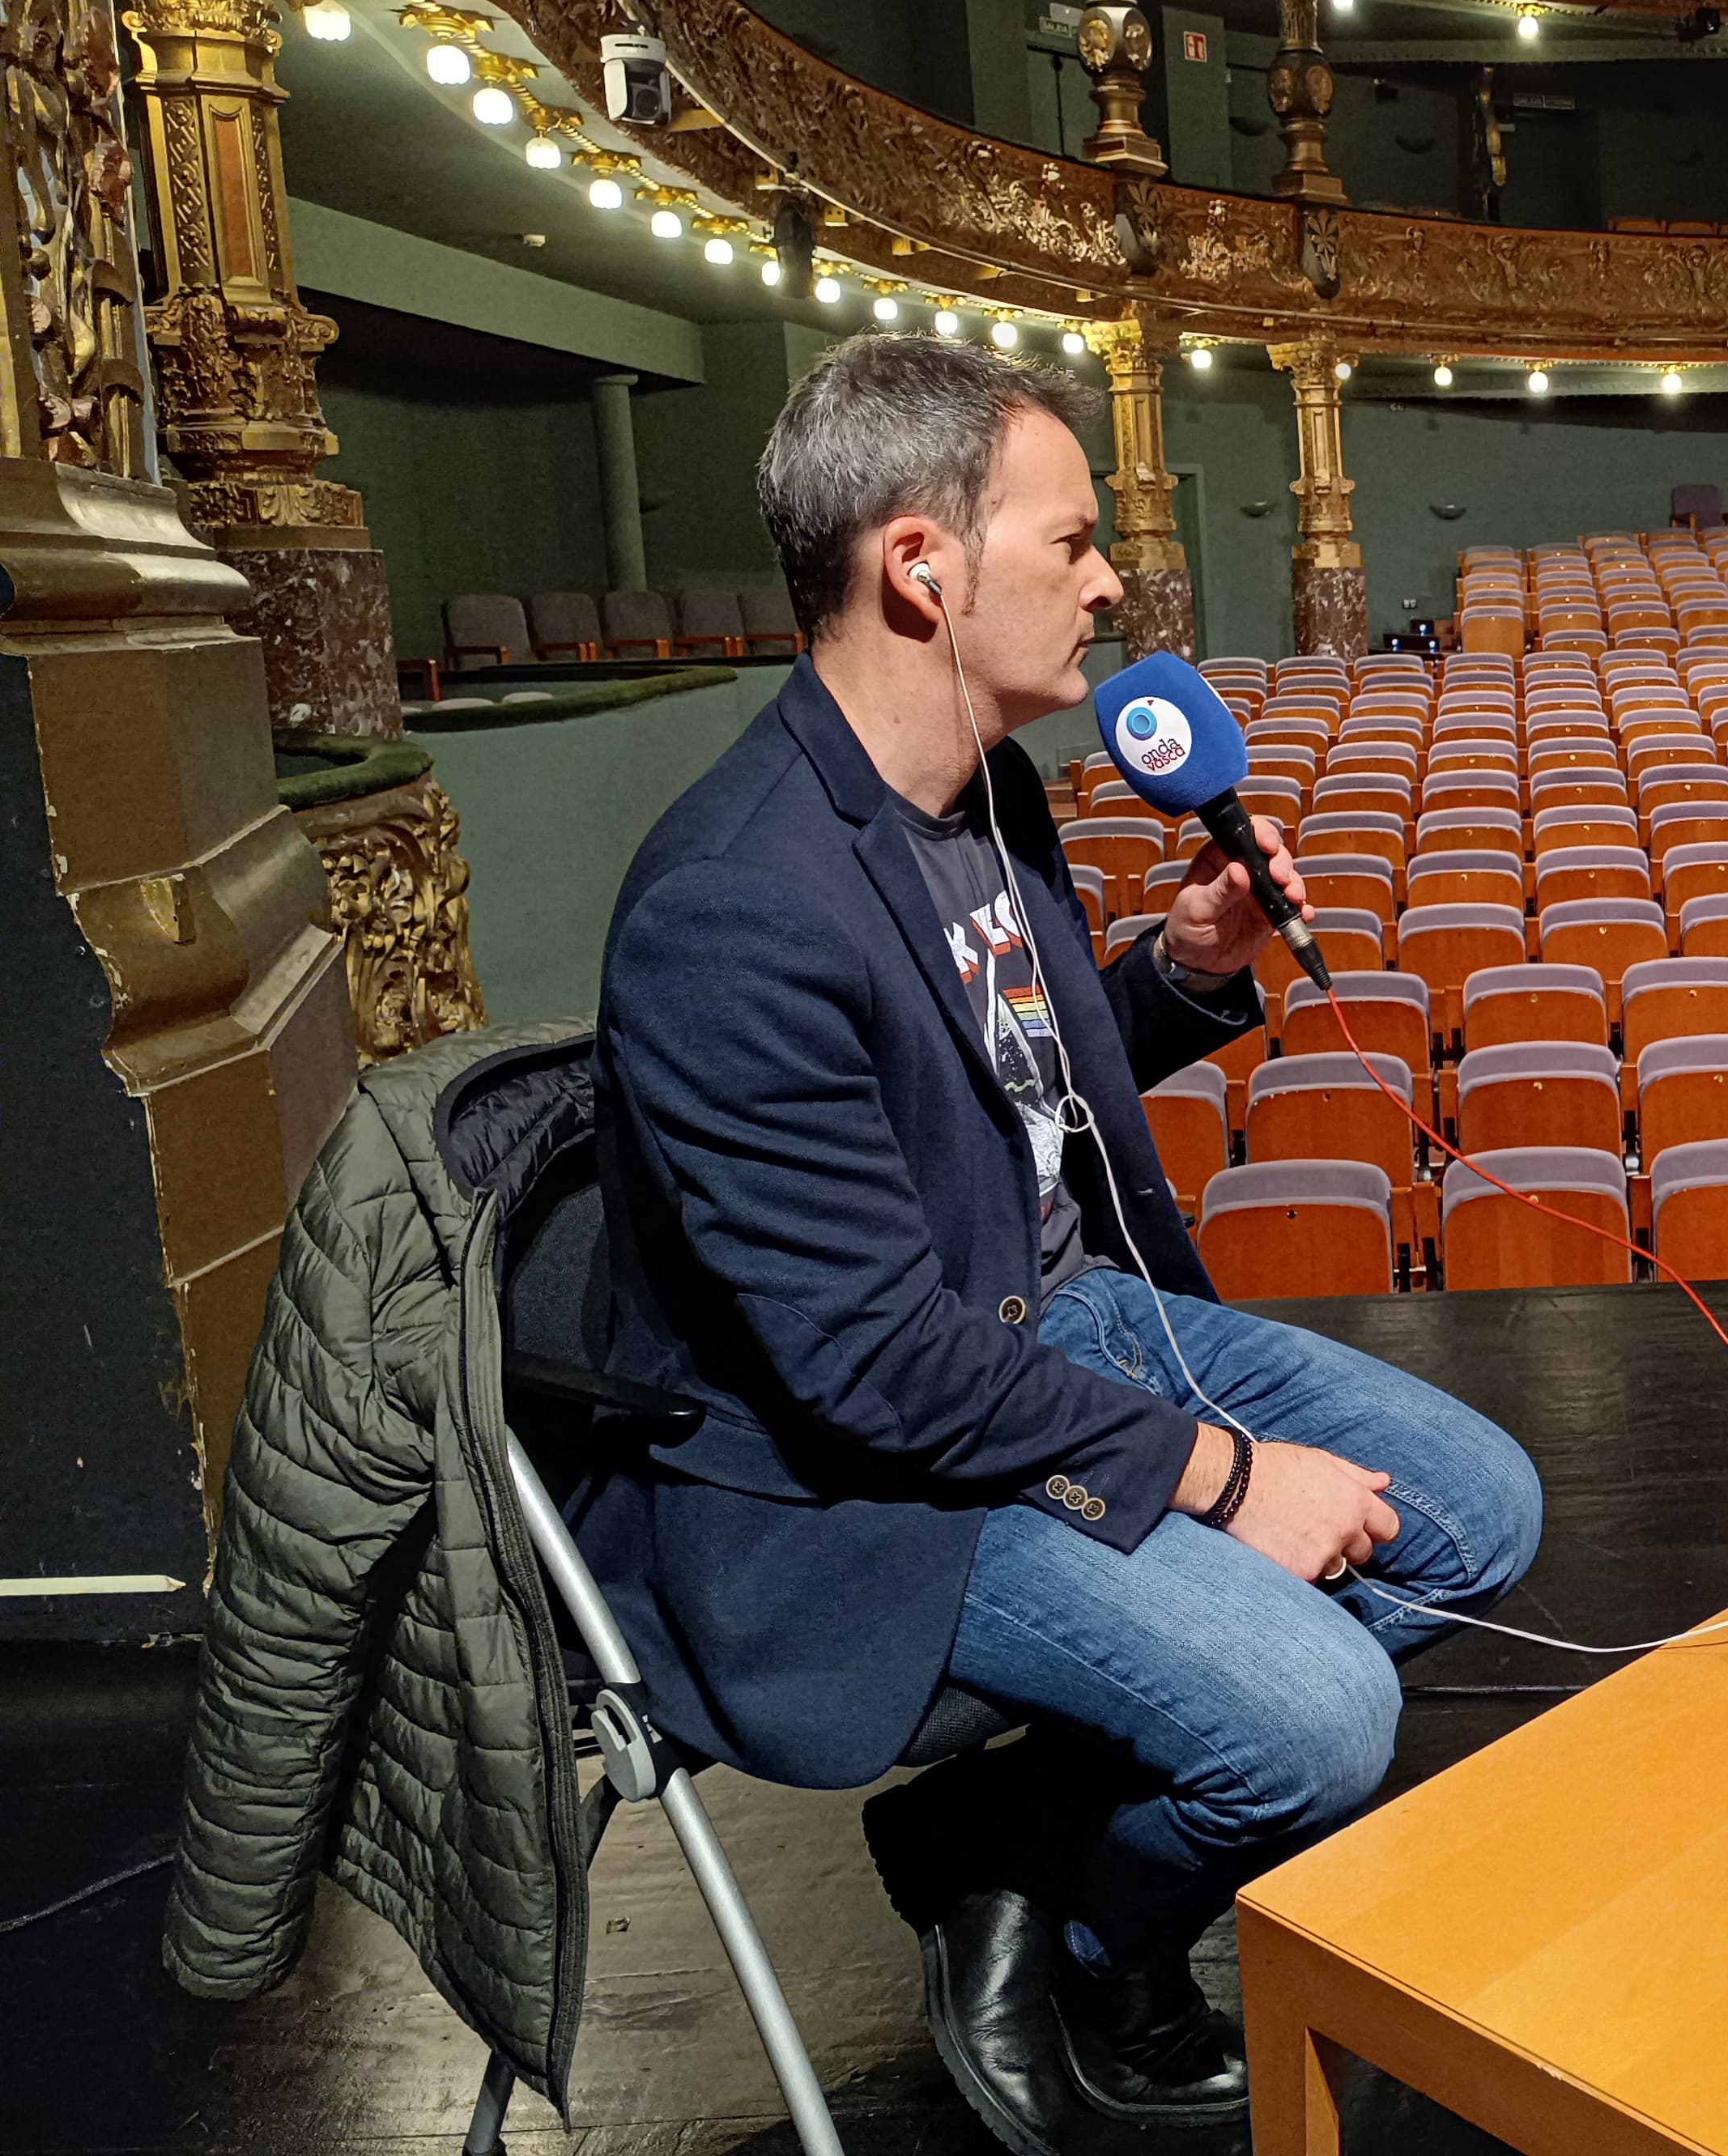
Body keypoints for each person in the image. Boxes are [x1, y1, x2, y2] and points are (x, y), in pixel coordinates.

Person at [582, 333, 1541, 2150]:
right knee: (1318, 1723)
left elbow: (1003, 1100)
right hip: (856, 1469)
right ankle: (1092, 1921)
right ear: (920, 568)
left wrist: (1181, 980)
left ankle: (1006, 1852)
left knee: (1477, 1514)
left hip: (1059, 1324)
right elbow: (865, 1358)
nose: (1115, 581)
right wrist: (1217, 1470)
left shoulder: (985, 797)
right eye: (1073, 538)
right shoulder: (734, 904)